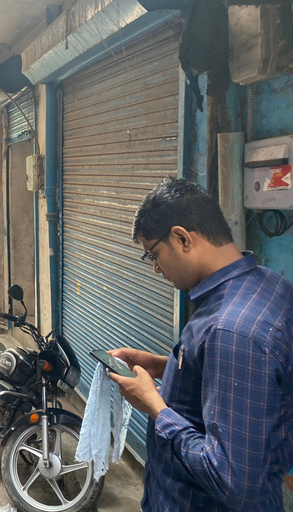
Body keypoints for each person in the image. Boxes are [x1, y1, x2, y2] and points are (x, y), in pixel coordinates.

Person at [108, 178, 293, 512]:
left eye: (154, 254)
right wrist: (163, 366)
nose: (156, 268)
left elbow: (233, 482)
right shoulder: (269, 287)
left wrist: (155, 406)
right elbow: (249, 384)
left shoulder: (232, 330)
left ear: (181, 238)